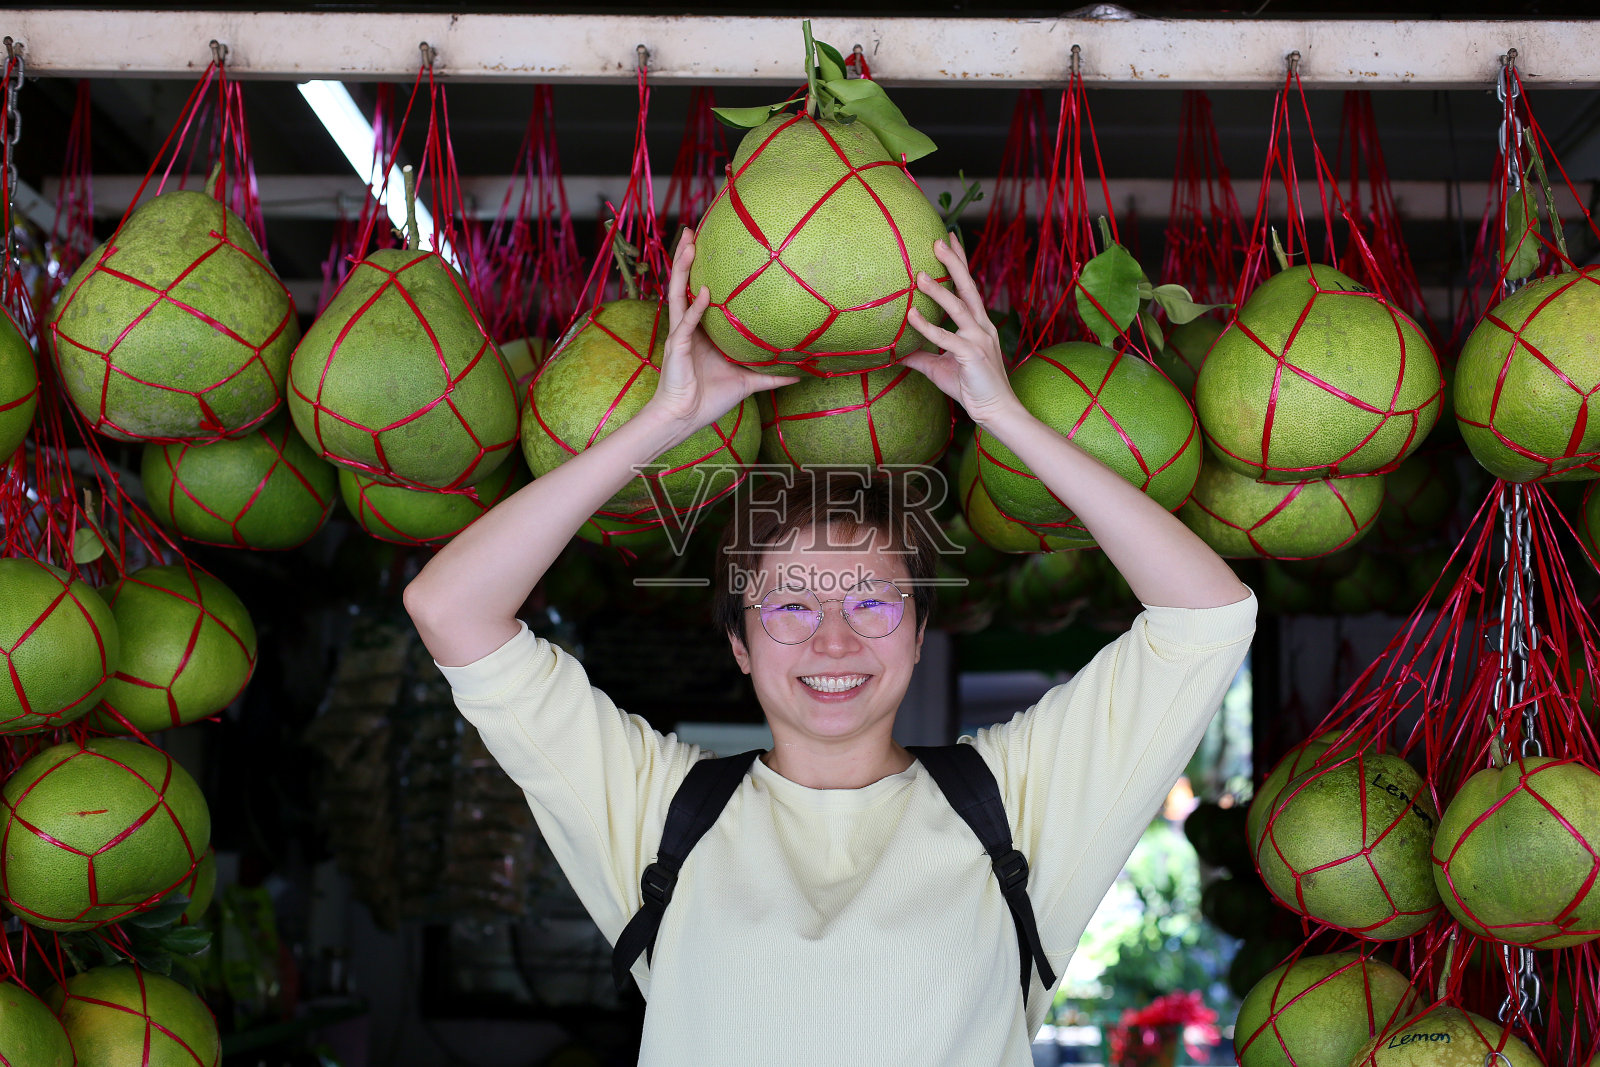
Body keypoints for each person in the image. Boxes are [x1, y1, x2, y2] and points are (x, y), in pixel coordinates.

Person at [404, 229, 1255, 1066]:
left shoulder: (1015, 805)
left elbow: (1208, 614)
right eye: (790, 606)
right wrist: (664, 420)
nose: (834, 638)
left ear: (919, 632)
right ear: (739, 643)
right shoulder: (658, 814)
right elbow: (449, 608)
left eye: (872, 601)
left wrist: (1003, 416)